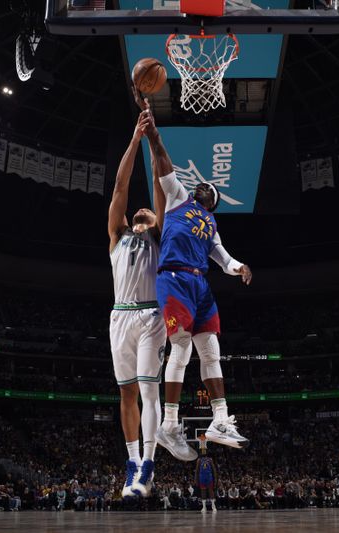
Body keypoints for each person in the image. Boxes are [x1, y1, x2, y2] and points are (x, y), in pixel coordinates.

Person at [140, 106, 252, 459]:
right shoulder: (178, 197)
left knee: (211, 350)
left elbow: (223, 257)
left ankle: (220, 419)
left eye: (208, 186)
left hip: (200, 285)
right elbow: (163, 163)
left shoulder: (211, 225)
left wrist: (240, 268)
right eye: (201, 184)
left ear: (213, 201)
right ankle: (169, 424)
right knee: (182, 348)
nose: (202, 185)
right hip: (173, 277)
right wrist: (155, 136)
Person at [107, 111, 167, 498]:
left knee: (149, 391)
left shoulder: (160, 234)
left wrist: (152, 142)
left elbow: (161, 187)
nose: (143, 207)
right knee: (127, 393)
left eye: (149, 209)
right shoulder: (117, 234)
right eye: (139, 209)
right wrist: (133, 138)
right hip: (120, 316)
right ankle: (131, 465)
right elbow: (119, 186)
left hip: (150, 315)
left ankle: (148, 464)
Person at [195, 439, 217, 513]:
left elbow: (214, 470)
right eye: (202, 450)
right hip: (202, 477)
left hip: (209, 477)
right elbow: (197, 471)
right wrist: (196, 480)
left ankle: (213, 506)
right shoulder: (199, 460)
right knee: (203, 492)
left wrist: (215, 479)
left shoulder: (210, 459)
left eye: (204, 450)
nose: (203, 451)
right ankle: (204, 507)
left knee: (211, 491)